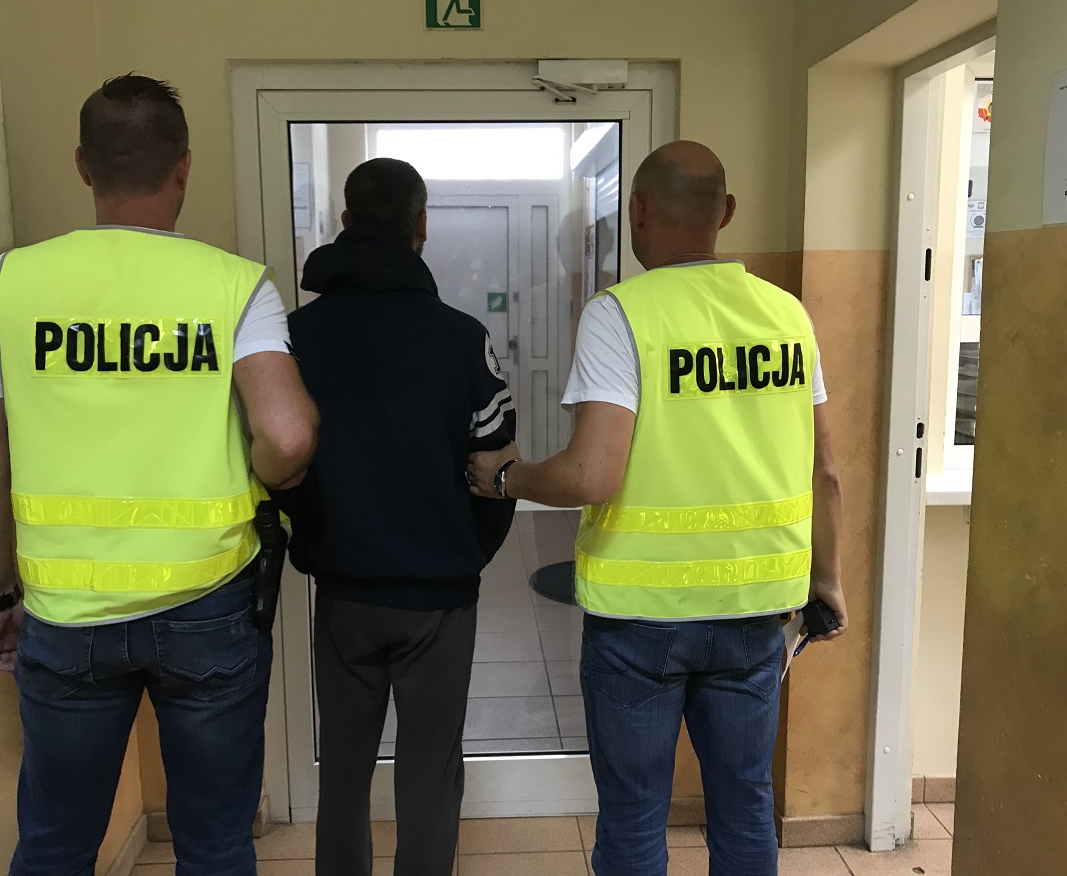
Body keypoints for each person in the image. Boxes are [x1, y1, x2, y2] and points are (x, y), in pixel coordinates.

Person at [0, 74, 319, 876]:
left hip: (65, 615)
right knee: (215, 845)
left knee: (54, 846)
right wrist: (262, 478)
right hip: (207, 604)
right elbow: (289, 435)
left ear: (83, 166)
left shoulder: (11, 283)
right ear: (183, 166)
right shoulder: (233, 286)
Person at [468, 141, 847, 876]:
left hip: (640, 618)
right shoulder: (787, 316)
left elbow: (591, 473)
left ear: (636, 211)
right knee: (744, 804)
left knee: (636, 814)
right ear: (725, 213)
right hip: (755, 608)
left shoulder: (622, 315)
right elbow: (825, 471)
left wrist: (507, 478)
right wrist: (827, 582)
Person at [277, 158, 516, 876]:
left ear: (346, 222)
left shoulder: (294, 338)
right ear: (421, 226)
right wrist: (462, 552)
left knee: (343, 775)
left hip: (343, 594)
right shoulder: (462, 338)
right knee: (429, 779)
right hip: (439, 598)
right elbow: (497, 470)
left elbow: (276, 462)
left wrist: (315, 541)